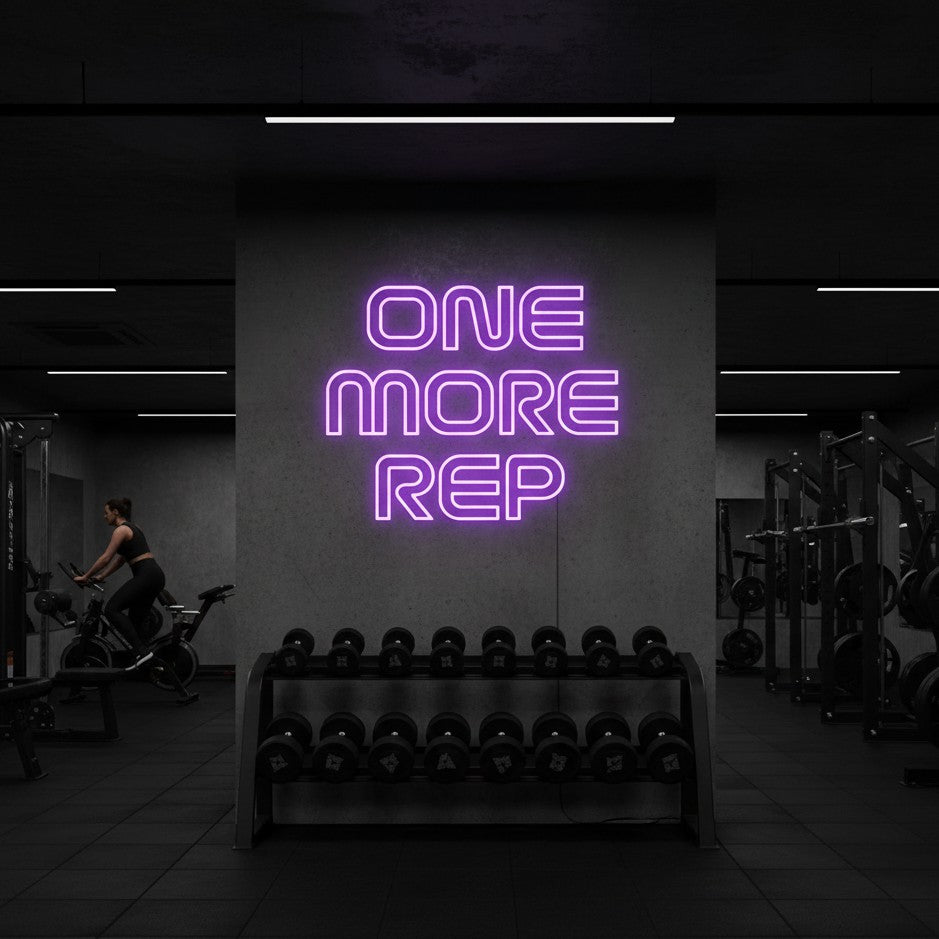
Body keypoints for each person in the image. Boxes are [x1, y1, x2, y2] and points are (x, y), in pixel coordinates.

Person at [73, 497, 165, 669]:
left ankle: (142, 653)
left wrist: (86, 576)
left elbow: (106, 557)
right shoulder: (134, 527)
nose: (104, 516)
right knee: (135, 620)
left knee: (111, 609)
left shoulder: (121, 530)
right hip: (154, 575)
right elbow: (120, 560)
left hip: (146, 575)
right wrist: (102, 576)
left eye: (106, 513)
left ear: (116, 512)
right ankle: (147, 661)